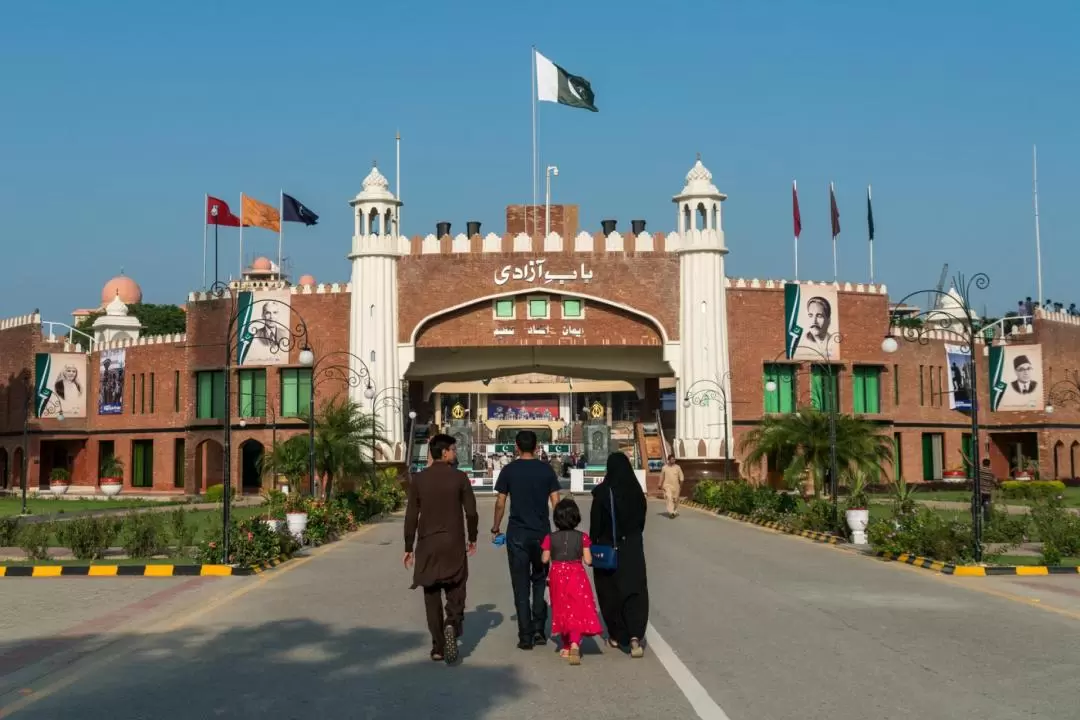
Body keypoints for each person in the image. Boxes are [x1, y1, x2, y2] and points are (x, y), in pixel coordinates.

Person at [403, 433, 478, 664]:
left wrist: (408, 546)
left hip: (427, 544)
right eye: (453, 450)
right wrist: (472, 538)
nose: (455, 453)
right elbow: (471, 512)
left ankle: (438, 646)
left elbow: (411, 516)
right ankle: (451, 623)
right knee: (456, 586)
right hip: (453, 542)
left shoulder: (419, 480)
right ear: (444, 452)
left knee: (431, 594)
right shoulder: (459, 478)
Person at [490, 430, 561, 650]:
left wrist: (495, 527)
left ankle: (525, 635)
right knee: (540, 580)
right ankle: (540, 630)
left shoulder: (509, 471)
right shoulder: (546, 470)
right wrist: (559, 530)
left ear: (517, 448)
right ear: (537, 447)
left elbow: (501, 502)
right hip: (542, 534)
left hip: (517, 534)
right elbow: (556, 501)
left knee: (520, 585)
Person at [591, 452, 649, 658]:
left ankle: (617, 635)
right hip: (632, 548)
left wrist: (592, 545)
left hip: (608, 549)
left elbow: (595, 526)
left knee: (610, 592)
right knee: (635, 590)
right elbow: (641, 522)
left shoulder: (602, 493)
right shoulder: (636, 492)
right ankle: (635, 637)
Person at [541, 497, 603, 666]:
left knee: (562, 608)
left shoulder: (549, 537)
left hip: (557, 575)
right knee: (576, 608)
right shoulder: (582, 537)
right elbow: (588, 561)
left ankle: (567, 645)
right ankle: (575, 643)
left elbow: (545, 559)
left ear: (556, 518)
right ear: (576, 517)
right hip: (577, 574)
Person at [660, 454, 684, 518]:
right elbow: (661, 477)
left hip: (676, 486)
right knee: (669, 497)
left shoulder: (678, 467)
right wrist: (659, 484)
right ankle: (671, 512)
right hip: (667, 485)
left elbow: (681, 477)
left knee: (675, 500)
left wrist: (680, 486)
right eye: (672, 459)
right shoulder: (664, 468)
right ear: (669, 460)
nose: (674, 460)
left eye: (674, 459)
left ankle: (674, 510)